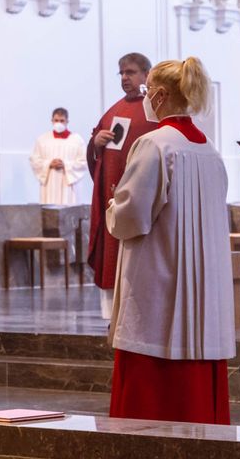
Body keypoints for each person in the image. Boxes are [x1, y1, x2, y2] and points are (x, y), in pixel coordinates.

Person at [106, 57, 234, 425]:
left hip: (158, 286)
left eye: (148, 92)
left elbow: (132, 217)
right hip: (202, 291)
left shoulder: (155, 144)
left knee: (151, 401)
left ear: (159, 95)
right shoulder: (208, 149)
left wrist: (114, 205)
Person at [87, 52, 155, 319]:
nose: (125, 78)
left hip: (141, 204)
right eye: (122, 73)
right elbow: (96, 155)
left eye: (131, 72)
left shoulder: (155, 109)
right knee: (112, 256)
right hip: (112, 201)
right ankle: (112, 320)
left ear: (146, 75)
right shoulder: (114, 111)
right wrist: (96, 144)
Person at [29, 108, 87, 205]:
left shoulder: (77, 140)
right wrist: (49, 164)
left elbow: (83, 162)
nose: (58, 123)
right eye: (56, 120)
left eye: (62, 121)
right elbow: (35, 160)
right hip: (50, 184)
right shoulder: (42, 139)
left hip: (68, 185)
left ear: (67, 121)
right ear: (52, 121)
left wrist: (65, 164)